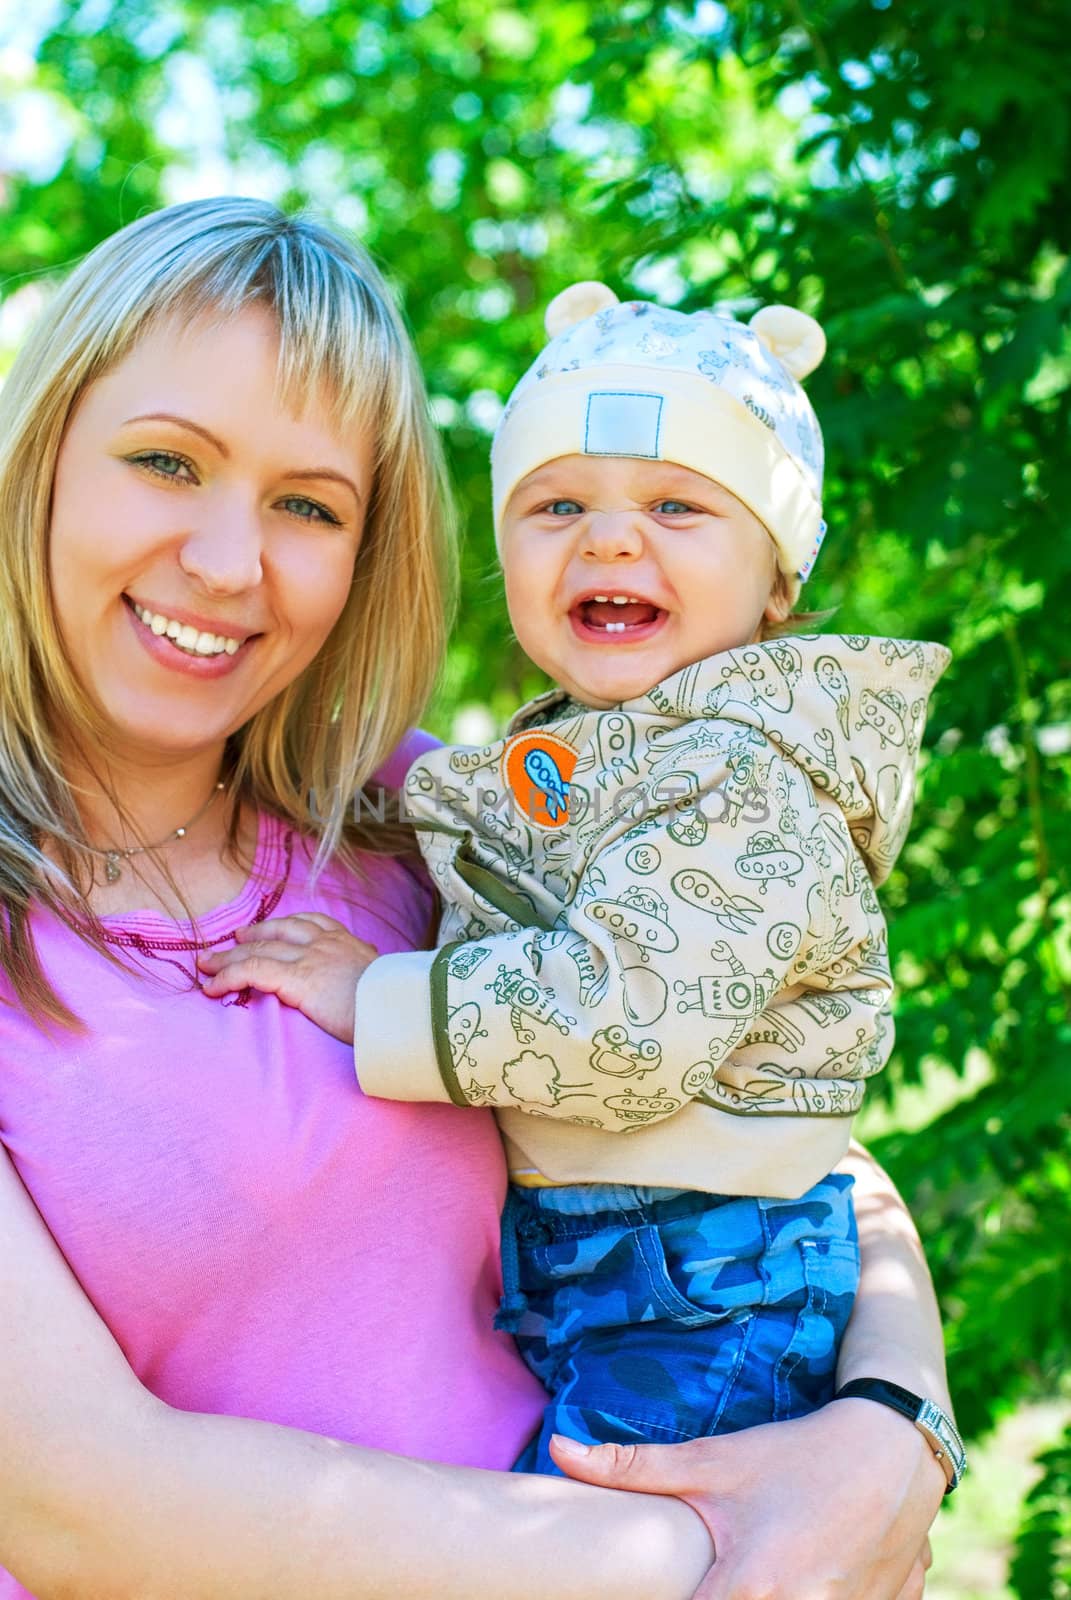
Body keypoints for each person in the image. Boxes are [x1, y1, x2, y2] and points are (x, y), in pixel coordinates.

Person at [0, 197, 945, 1600]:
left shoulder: (428, 815)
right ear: (39, 459)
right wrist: (726, 1550)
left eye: (308, 505)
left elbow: (775, 1118)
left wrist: (885, 1436)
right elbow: (72, 1501)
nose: (225, 561)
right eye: (164, 462)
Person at [212, 277, 964, 1485]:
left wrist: (383, 996)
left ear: (778, 580)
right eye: (556, 505)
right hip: (619, 1259)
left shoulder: (740, 772)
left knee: (644, 1547)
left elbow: (632, 1020)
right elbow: (506, 859)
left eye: (678, 505)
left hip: (707, 1273)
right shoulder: (584, 753)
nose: (611, 539)